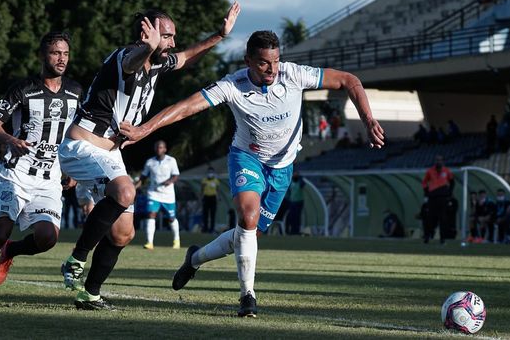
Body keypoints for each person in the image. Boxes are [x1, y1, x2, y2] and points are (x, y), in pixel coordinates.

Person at [120, 30, 384, 317]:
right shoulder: (232, 86)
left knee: (248, 235)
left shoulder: (293, 74)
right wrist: (144, 129)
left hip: (283, 167)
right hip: (247, 158)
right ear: (248, 61)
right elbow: (185, 108)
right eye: (263, 63)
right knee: (247, 218)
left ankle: (194, 258)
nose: (272, 69)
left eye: (276, 61)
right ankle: (248, 296)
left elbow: (349, 80)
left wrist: (368, 119)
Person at [57, 3, 241, 310]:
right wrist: (148, 47)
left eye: (171, 36)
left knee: (123, 232)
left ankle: (89, 293)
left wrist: (219, 36)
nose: (171, 43)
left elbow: (185, 58)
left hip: (110, 152)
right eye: (166, 36)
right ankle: (75, 259)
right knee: (127, 191)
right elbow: (132, 62)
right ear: (146, 34)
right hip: (82, 145)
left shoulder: (158, 63)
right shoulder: (125, 57)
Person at [0, 31, 81, 304]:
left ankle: (11, 251)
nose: (61, 58)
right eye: (55, 53)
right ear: (42, 55)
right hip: (16, 173)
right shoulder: (23, 89)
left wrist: (72, 169)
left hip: (49, 178)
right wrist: (11, 140)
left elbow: (76, 134)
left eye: (65, 53)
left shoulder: (76, 92)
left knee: (47, 238)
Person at [138, 140, 181, 249]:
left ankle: (176, 240)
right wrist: (134, 187)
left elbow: (176, 175)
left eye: (161, 147)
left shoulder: (171, 160)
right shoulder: (150, 162)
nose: (159, 149)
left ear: (165, 149)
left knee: (171, 218)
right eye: (157, 147)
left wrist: (170, 181)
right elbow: (143, 177)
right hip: (153, 193)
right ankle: (149, 243)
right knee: (151, 214)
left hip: (168, 195)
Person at [422, 155, 454, 244]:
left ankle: (442, 239)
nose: (438, 162)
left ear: (443, 162)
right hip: (432, 198)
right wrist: (427, 193)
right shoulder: (430, 171)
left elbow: (452, 182)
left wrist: (449, 193)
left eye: (440, 160)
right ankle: (427, 236)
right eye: (437, 160)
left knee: (443, 218)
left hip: (443, 198)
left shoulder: (447, 171)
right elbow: (424, 182)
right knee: (430, 218)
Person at [201, 166, 220, 233]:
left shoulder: (216, 181)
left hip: (213, 198)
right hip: (206, 198)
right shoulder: (204, 180)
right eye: (209, 172)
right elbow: (202, 189)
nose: (210, 173)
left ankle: (212, 229)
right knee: (205, 214)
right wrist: (201, 197)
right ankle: (205, 228)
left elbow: (218, 190)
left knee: (212, 214)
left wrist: (218, 197)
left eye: (211, 172)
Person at [285, 171, 305, 235]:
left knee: (297, 217)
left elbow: (303, 184)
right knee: (291, 217)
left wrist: (300, 178)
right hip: (292, 202)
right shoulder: (291, 182)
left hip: (299, 202)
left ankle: (296, 231)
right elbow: (288, 192)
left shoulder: (300, 182)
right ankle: (290, 231)